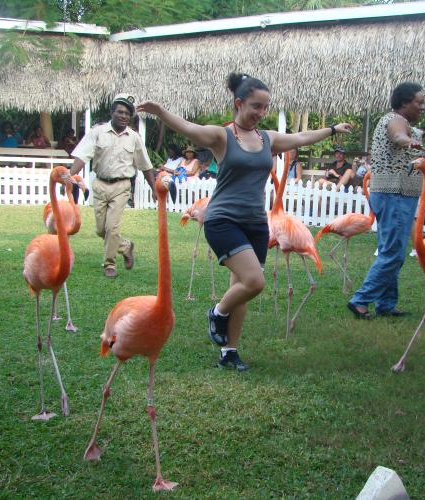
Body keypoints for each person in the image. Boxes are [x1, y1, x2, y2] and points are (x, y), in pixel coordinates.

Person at [137, 72, 351, 372]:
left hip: (256, 224)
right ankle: (217, 311)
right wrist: (160, 112)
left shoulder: (268, 139)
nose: (261, 113)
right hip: (223, 220)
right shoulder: (221, 136)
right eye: (256, 106)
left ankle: (229, 352)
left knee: (241, 286)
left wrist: (331, 129)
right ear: (239, 103)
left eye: (265, 107)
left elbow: (301, 138)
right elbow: (189, 128)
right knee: (254, 281)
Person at [347, 81, 425, 319]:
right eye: (419, 102)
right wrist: (408, 140)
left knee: (390, 250)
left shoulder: (400, 121)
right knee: (394, 253)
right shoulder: (395, 120)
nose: (422, 107)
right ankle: (361, 300)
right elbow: (398, 134)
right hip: (394, 194)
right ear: (405, 103)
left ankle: (386, 304)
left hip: (395, 194)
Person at [70, 93, 163, 278]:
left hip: (121, 187)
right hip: (99, 185)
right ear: (112, 112)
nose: (124, 116)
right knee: (100, 230)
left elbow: (146, 166)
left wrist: (154, 189)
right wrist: (69, 175)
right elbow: (82, 156)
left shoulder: (134, 138)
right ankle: (126, 246)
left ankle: (109, 264)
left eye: (127, 114)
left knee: (111, 228)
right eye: (120, 112)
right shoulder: (97, 132)